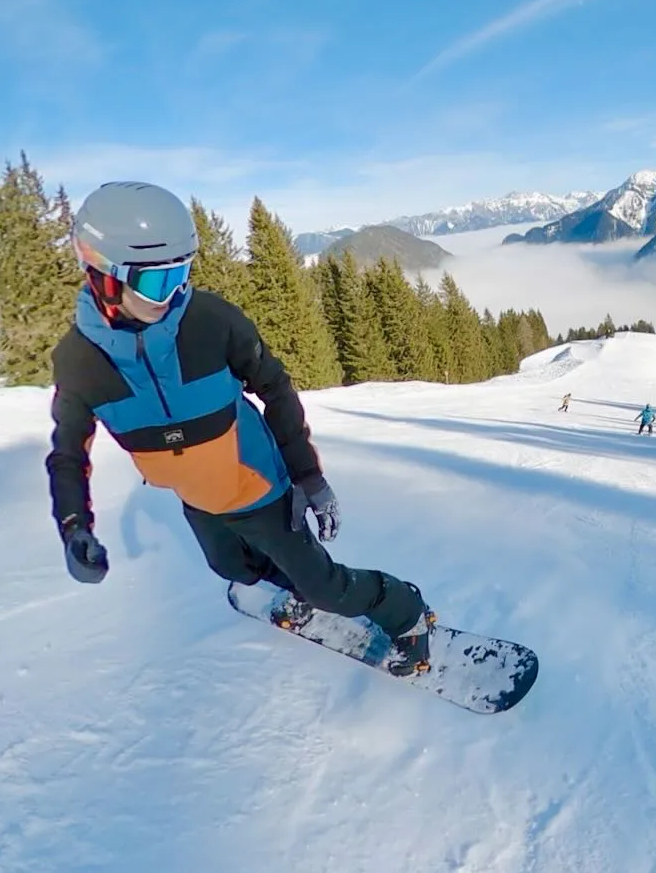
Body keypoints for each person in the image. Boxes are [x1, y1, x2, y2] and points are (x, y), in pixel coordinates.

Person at [45, 181, 435, 676]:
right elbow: (67, 454)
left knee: (326, 586)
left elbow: (275, 387)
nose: (173, 294)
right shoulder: (80, 362)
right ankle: (292, 586)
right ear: (103, 275)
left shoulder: (210, 322)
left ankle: (405, 612)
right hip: (198, 500)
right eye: (156, 283)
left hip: (260, 488)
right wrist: (74, 524)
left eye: (182, 273)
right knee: (232, 569)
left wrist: (307, 477)